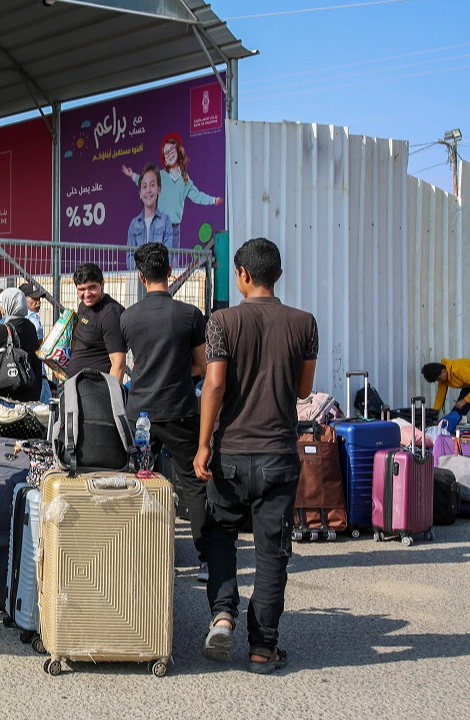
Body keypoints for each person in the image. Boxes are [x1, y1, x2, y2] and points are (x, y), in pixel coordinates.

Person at [193, 238, 318, 675]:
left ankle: (223, 614)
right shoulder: (305, 323)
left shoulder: (222, 321)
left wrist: (204, 443)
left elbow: (214, 386)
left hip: (230, 453)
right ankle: (263, 649)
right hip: (278, 457)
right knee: (271, 553)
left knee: (221, 536)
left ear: (243, 275)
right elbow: (304, 391)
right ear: (277, 275)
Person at [120, 242, 209, 580]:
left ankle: (136, 557)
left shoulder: (128, 318)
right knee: (193, 483)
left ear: (141, 277)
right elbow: (201, 366)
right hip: (181, 411)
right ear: (169, 272)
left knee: (136, 482)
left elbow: (125, 363)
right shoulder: (190, 316)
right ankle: (205, 560)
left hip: (139, 413)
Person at [122, 133, 223, 248]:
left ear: (178, 150)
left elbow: (197, 196)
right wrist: (133, 176)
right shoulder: (160, 175)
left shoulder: (185, 179)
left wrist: (213, 200)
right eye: (166, 153)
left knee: (173, 261)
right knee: (158, 259)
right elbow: (146, 182)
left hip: (175, 228)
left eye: (171, 150)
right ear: (164, 160)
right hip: (159, 225)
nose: (169, 154)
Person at [0, 287, 43, 402]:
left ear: (8, 305)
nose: (0, 307)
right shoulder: (30, 327)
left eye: (1, 303)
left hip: (9, 395)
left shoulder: (3, 329)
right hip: (31, 392)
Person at [68, 263, 127, 379]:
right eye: (81, 289)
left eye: (92, 288)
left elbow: (118, 364)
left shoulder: (111, 314)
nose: (87, 294)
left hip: (96, 389)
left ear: (102, 284)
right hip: (76, 385)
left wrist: (112, 395)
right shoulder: (83, 306)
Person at [126, 164, 172, 266]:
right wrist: (142, 270)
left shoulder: (166, 221)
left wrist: (153, 271)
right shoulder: (134, 224)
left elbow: (168, 254)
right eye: (144, 186)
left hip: (158, 279)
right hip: (138, 278)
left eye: (152, 185)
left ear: (159, 189)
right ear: (140, 194)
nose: (148, 191)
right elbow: (129, 257)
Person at [421, 359, 470, 425]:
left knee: (463, 404)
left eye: (439, 379)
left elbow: (464, 401)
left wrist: (465, 400)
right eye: (437, 380)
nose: (439, 382)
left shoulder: (458, 369)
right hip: (468, 386)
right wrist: (434, 414)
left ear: (444, 371)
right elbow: (439, 398)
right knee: (456, 413)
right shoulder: (443, 380)